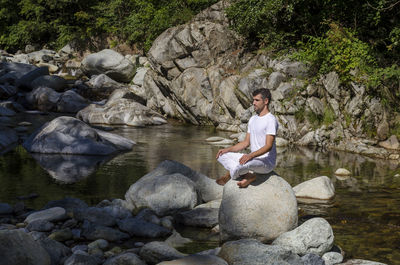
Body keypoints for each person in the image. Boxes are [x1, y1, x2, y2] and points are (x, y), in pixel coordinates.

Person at [215, 88, 278, 188]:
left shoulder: (270, 120)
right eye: (253, 100)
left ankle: (230, 175)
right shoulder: (253, 119)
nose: (253, 103)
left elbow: (268, 146)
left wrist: (250, 156)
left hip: (266, 162)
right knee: (221, 155)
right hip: (252, 159)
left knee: (243, 165)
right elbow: (245, 143)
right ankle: (249, 175)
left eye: (257, 100)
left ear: (266, 101)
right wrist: (227, 149)